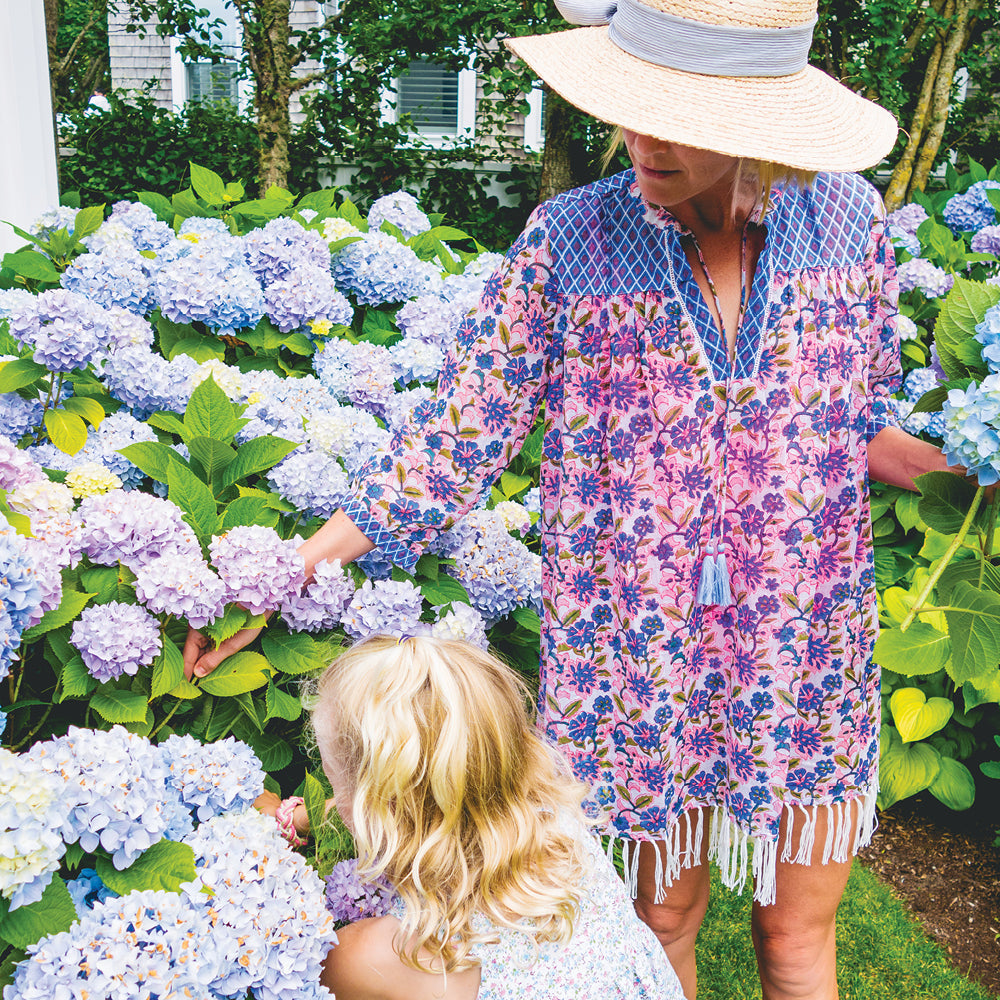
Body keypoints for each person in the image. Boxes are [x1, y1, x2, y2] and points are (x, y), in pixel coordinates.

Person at [185, 1, 970, 996]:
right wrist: (296, 568)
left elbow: (855, 418)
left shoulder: (850, 226)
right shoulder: (568, 244)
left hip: (801, 646)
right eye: (629, 105)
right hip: (632, 657)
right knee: (661, 919)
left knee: (796, 937)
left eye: (674, 114)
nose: (639, 137)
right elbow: (454, 441)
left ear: (751, 118)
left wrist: (970, 472)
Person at [272, 634, 686, 1000]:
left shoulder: (377, 955)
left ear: (370, 809)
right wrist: (299, 816)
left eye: (334, 784)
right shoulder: (559, 818)